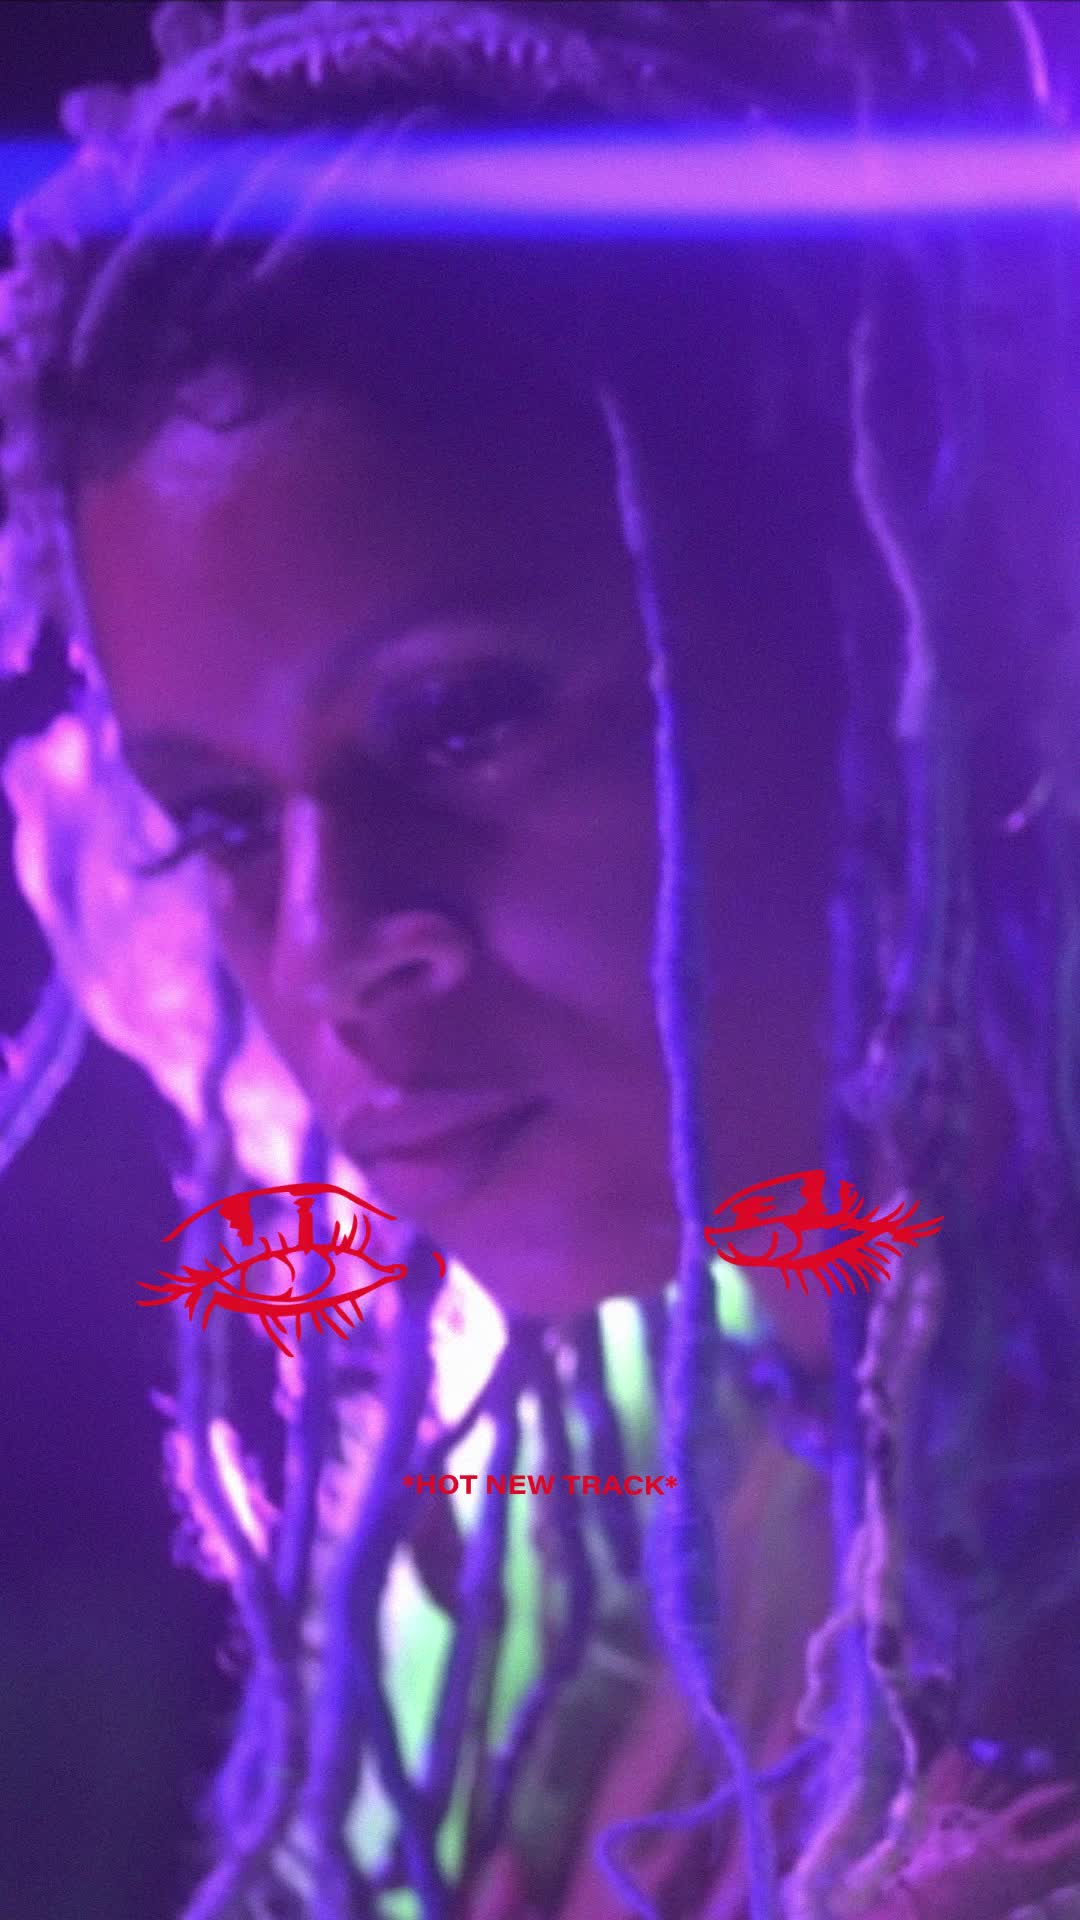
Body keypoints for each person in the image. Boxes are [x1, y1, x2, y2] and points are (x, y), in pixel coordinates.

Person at [2, 3, 1080, 1916]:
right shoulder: (584, 1535)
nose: (336, 952)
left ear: (893, 603)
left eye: (459, 720)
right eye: (225, 819)